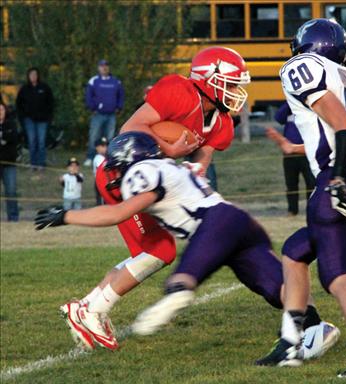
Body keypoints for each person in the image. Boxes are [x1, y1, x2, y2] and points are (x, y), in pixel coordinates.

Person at [36, 132, 339, 358]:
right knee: (277, 287)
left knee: (184, 275)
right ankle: (314, 328)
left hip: (215, 224)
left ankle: (177, 292)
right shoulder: (172, 167)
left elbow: (119, 212)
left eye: (118, 168)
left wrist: (66, 215)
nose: (115, 175)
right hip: (240, 221)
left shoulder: (141, 173)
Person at [57, 47, 251, 351]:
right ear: (209, 79)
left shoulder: (222, 121)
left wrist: (195, 170)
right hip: (122, 176)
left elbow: (205, 152)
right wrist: (170, 150)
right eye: (231, 83)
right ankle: (90, 309)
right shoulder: (178, 90)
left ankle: (91, 305)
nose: (236, 91)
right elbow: (129, 129)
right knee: (159, 250)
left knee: (151, 251)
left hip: (154, 182)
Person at [256, 19, 346, 377]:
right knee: (294, 252)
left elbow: (344, 126)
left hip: (342, 180)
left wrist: (335, 177)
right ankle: (291, 342)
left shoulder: (301, 66)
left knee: (335, 273)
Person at [266, 102, 315, 215]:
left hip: (307, 152)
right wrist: (290, 101)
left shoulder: (309, 106)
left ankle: (311, 209)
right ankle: (292, 210)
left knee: (311, 183)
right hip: (289, 154)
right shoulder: (290, 106)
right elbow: (279, 117)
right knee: (291, 184)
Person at [84, 59, 124, 166]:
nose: (104, 67)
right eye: (102, 66)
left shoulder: (116, 81)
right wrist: (92, 108)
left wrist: (119, 107)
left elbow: (121, 96)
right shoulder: (94, 81)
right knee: (94, 136)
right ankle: (90, 157)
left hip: (111, 115)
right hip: (98, 114)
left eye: (106, 65)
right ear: (99, 68)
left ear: (108, 67)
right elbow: (88, 96)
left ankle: (108, 158)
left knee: (110, 138)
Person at [16, 67, 54, 170]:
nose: (33, 76)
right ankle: (33, 164)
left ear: (38, 76)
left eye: (35, 74)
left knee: (41, 142)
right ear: (28, 76)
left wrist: (49, 117)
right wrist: (22, 117)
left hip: (43, 120)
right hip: (29, 120)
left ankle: (41, 164)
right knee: (32, 142)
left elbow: (51, 103)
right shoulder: (24, 89)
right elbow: (18, 104)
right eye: (31, 74)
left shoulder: (45, 88)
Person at [0, 100, 19, 221]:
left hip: (9, 164)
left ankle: (13, 217)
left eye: (1, 110)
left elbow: (14, 139)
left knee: (11, 191)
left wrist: (4, 138)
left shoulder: (11, 124)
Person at [92, 137, 108, 205]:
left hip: (105, 182)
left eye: (106, 145)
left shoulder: (104, 157)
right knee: (101, 202)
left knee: (106, 201)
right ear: (97, 147)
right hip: (100, 182)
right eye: (102, 146)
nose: (105, 147)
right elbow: (104, 169)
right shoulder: (98, 158)